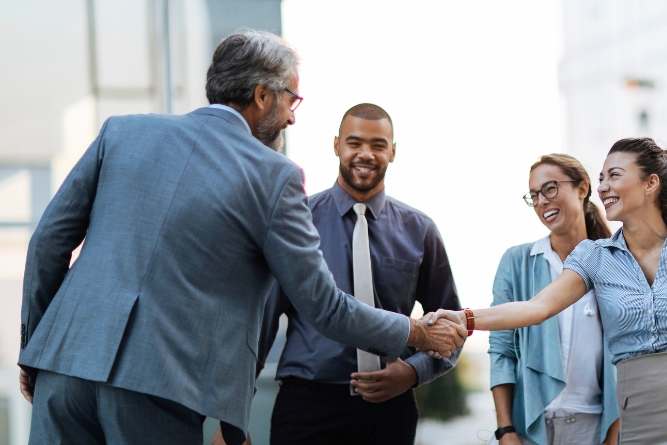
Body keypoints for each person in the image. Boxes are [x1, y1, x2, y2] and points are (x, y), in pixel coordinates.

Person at [17, 30, 465, 445]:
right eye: (293, 99)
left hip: (63, 367)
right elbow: (322, 306)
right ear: (262, 95)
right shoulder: (274, 176)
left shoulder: (122, 132)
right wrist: (416, 333)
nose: (292, 116)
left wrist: (34, 348)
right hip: (158, 385)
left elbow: (47, 244)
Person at [430, 138, 667, 445]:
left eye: (614, 176)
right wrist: (465, 318)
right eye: (601, 179)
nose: (603, 187)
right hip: (638, 424)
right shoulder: (593, 257)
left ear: (651, 183)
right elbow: (537, 307)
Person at [252, 103, 462, 445]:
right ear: (337, 145)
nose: (366, 153)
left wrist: (412, 372)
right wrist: (231, 416)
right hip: (308, 405)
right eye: (355, 143)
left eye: (378, 145)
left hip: (391, 409)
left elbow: (453, 326)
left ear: (393, 152)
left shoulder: (420, 230)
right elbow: (260, 321)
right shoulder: (295, 221)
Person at [489, 154, 620, 445]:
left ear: (582, 188)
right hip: (528, 429)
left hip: (594, 428)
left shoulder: (615, 263)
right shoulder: (516, 261)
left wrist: (612, 436)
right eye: (534, 195)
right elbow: (501, 351)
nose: (541, 201)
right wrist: (505, 430)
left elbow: (626, 355)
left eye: (550, 188)